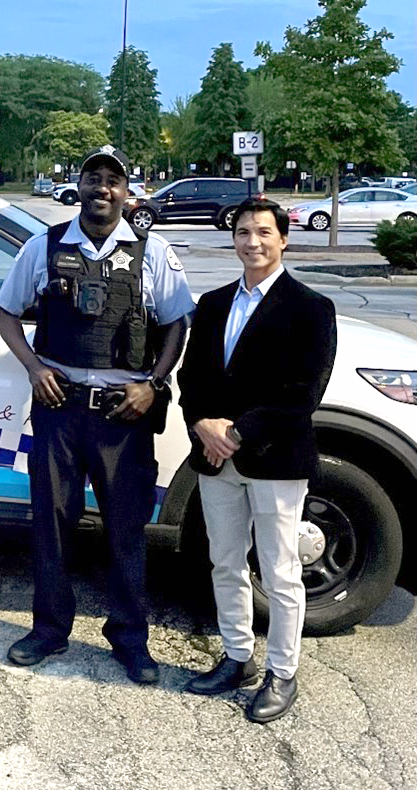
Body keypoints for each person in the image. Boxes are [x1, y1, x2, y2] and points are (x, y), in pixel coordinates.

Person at [0, 145, 194, 683]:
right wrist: (35, 368)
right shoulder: (45, 245)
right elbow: (4, 312)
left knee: (125, 530)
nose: (102, 189)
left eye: (113, 181)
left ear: (128, 192)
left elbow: (177, 323)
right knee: (51, 525)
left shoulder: (152, 252)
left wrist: (154, 384)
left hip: (123, 415)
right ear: (79, 186)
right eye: (93, 178)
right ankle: (49, 630)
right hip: (60, 408)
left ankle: (129, 638)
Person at [179, 199, 336, 723]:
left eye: (264, 232)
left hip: (275, 460)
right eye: (243, 232)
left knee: (280, 570)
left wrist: (238, 433)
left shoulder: (311, 308)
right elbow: (191, 379)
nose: (252, 242)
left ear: (284, 239)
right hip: (213, 457)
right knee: (225, 561)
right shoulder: (215, 302)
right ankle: (238, 657)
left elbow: (302, 394)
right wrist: (202, 423)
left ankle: (281, 673)